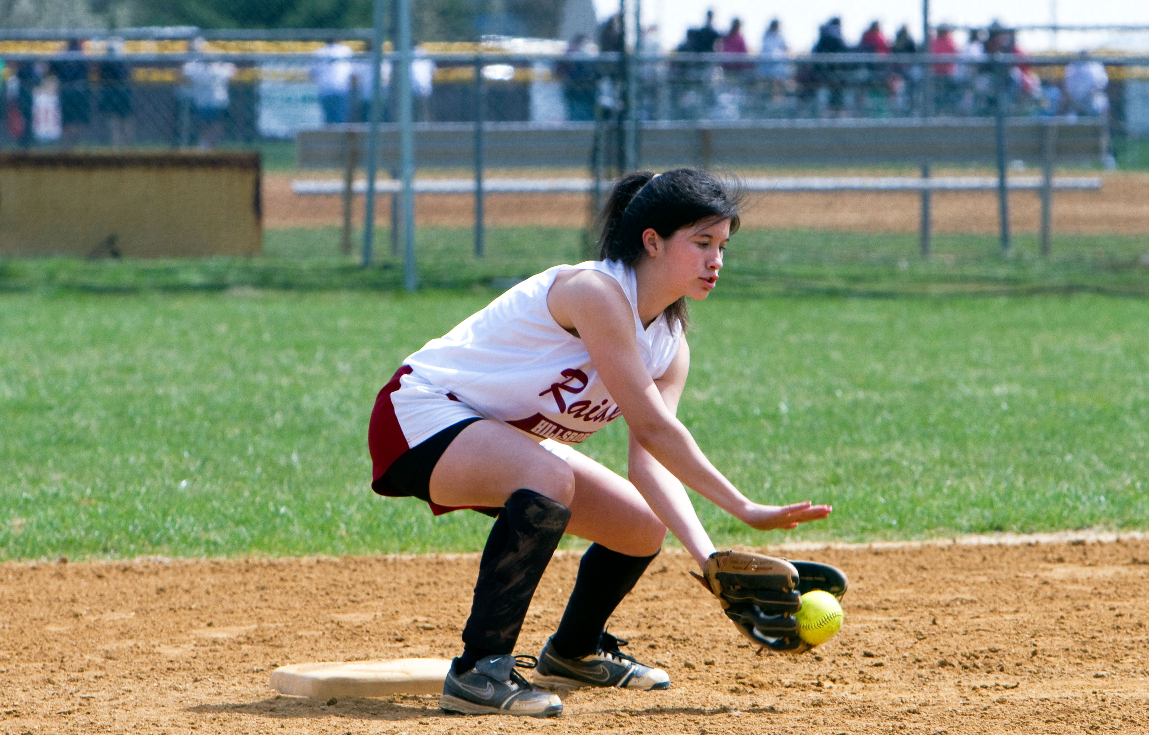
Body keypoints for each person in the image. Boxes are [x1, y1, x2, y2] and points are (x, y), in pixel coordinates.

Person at [367, 168, 832, 718]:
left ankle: (573, 651)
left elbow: (650, 458)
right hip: (420, 418)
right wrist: (744, 508)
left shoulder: (669, 343)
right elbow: (659, 429)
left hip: (505, 437)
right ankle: (478, 670)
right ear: (651, 241)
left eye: (723, 245)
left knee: (639, 524)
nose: (716, 261)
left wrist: (708, 558)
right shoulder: (594, 292)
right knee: (549, 479)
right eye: (702, 243)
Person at [181, 39, 236, 150]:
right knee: (209, 126)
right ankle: (206, 146)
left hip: (216, 103)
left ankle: (206, 147)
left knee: (213, 127)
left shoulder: (210, 69)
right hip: (207, 103)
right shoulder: (199, 68)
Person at [49, 39, 90, 148]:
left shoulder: (64, 55)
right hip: (75, 90)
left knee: (70, 120)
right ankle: (72, 144)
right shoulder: (78, 55)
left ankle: (70, 144)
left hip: (70, 89)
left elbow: (53, 68)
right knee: (75, 120)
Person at [97, 39, 133, 148]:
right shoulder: (118, 58)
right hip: (117, 91)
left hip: (117, 91)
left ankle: (119, 147)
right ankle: (120, 147)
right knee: (118, 121)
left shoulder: (113, 59)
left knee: (119, 121)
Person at [556, 33, 599, 122]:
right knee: (577, 117)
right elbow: (560, 71)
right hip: (576, 94)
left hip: (585, 95)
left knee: (584, 118)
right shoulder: (571, 53)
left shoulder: (588, 56)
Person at [311, 38, 354, 124]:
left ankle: (329, 136)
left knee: (328, 120)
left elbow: (312, 73)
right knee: (341, 120)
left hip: (325, 89)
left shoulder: (319, 52)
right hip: (342, 88)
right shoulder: (345, 51)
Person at [758, 19, 791, 99]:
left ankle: (778, 98)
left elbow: (786, 49)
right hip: (767, 66)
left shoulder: (781, 37)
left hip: (779, 67)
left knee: (779, 80)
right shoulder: (766, 36)